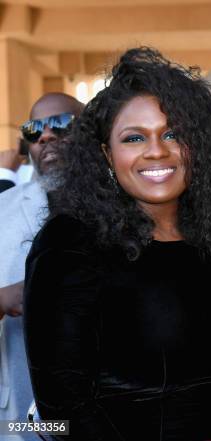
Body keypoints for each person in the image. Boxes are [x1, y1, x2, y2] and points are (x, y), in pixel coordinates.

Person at [23, 48, 211, 440]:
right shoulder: (71, 242)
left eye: (173, 133)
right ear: (106, 154)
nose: (157, 150)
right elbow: (63, 405)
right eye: (134, 137)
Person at [0, 92, 83, 441]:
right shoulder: (2, 208)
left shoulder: (126, 206)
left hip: (106, 405)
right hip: (18, 417)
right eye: (34, 130)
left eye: (61, 125)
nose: (46, 136)